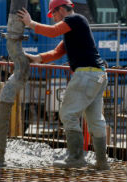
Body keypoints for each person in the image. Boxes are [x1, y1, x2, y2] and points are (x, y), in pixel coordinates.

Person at [17, 0, 110, 170]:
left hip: (86, 74)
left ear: (61, 10)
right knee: (95, 119)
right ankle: (102, 163)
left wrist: (30, 23)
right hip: (99, 75)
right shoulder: (72, 32)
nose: (53, 18)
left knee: (68, 113)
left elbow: (52, 32)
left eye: (53, 14)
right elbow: (55, 53)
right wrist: (34, 57)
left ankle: (76, 158)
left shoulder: (75, 19)